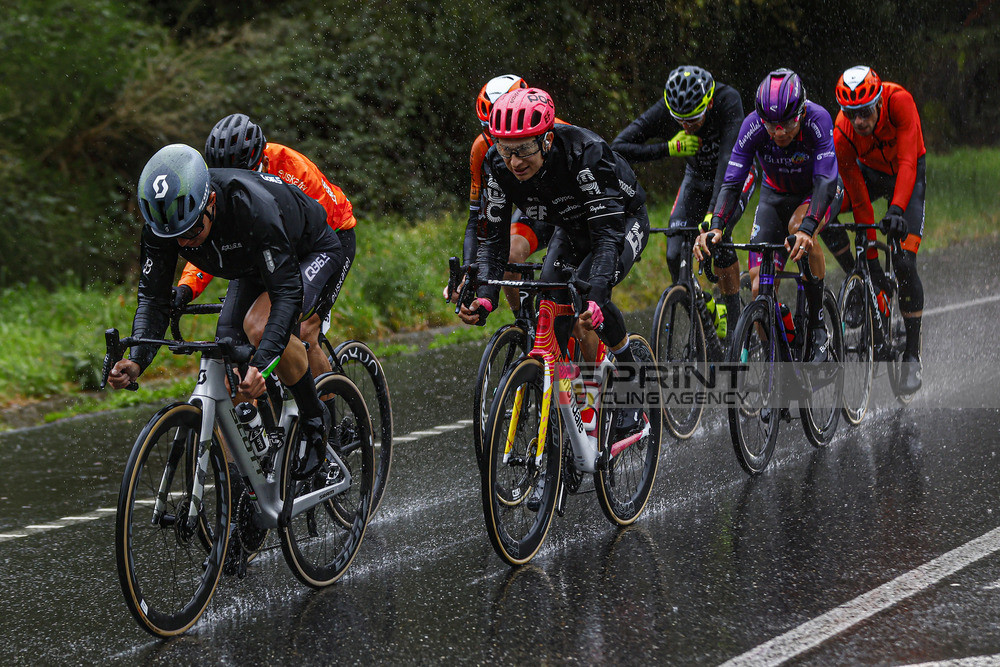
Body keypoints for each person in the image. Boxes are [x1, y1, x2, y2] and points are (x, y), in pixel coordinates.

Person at [108, 143, 342, 478]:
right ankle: (244, 486)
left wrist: (262, 364)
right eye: (174, 237)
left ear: (211, 203)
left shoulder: (250, 206)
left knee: (260, 328)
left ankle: (315, 419)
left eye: (191, 231)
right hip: (252, 266)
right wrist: (137, 360)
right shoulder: (164, 226)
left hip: (308, 251)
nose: (185, 244)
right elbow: (153, 299)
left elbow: (287, 293)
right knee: (228, 359)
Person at [459, 87, 650, 435]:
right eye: (504, 148)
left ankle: (630, 377)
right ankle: (574, 415)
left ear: (546, 140)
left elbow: (607, 239)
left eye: (524, 149)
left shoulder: (585, 152)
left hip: (620, 222)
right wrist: (485, 295)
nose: (514, 161)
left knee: (590, 290)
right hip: (571, 227)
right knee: (553, 302)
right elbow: (493, 241)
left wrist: (596, 295)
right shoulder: (496, 164)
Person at [171, 113, 356, 380]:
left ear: (261, 161)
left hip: (330, 236)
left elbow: (318, 231)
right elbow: (210, 243)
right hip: (270, 247)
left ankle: (325, 413)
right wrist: (188, 286)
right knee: (242, 343)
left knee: (302, 332)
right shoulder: (216, 190)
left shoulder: (292, 167)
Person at [695, 68, 843, 364]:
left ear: (801, 111)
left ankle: (817, 328)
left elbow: (826, 180)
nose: (779, 131)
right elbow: (733, 181)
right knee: (757, 288)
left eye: (787, 122)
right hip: (774, 197)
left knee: (800, 229)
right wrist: (718, 225)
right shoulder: (752, 126)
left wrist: (809, 227)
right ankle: (777, 364)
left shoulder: (818, 119)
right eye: (771, 124)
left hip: (815, 193)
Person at [613, 65, 757, 337]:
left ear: (709, 101)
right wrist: (667, 148)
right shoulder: (668, 109)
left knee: (717, 235)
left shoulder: (728, 101)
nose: (687, 126)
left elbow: (728, 165)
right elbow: (618, 147)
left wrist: (713, 215)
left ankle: (736, 322)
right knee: (673, 251)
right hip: (696, 176)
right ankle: (706, 314)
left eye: (694, 119)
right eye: (680, 121)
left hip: (734, 173)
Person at [822, 66, 926, 392]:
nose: (859, 122)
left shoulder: (900, 102)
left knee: (905, 262)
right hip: (868, 174)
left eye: (865, 112)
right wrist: (868, 256)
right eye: (851, 114)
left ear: (879, 102)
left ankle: (912, 353)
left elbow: (908, 161)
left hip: (906, 173)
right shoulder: (842, 132)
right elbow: (857, 194)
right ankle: (862, 279)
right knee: (823, 214)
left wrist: (896, 210)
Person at [449, 74, 560, 314]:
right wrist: (470, 272)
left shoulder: (559, 135)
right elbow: (478, 218)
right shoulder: (482, 147)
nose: (499, 137)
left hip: (568, 210)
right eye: (490, 128)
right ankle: (525, 322)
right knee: (510, 256)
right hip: (532, 210)